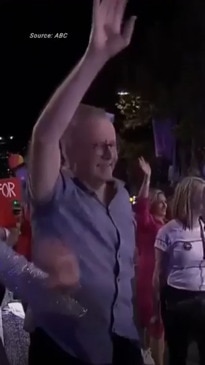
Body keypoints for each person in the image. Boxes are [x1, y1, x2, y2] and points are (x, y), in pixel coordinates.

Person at [28, 1, 141, 364]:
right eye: (97, 145)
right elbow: (44, 137)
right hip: (65, 349)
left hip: (122, 341)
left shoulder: (123, 197)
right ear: (70, 154)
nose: (110, 153)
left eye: (112, 144)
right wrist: (95, 56)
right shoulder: (53, 195)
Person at [153, 176, 205, 365]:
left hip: (203, 298)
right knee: (178, 355)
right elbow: (158, 273)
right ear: (190, 198)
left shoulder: (204, 229)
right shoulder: (167, 232)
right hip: (177, 301)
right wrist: (155, 309)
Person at [135, 157, 167, 365]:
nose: (164, 205)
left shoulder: (167, 223)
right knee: (156, 326)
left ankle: (148, 360)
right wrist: (147, 178)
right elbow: (141, 206)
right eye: (160, 202)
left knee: (153, 326)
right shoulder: (148, 224)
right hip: (150, 277)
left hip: (161, 275)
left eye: (166, 202)